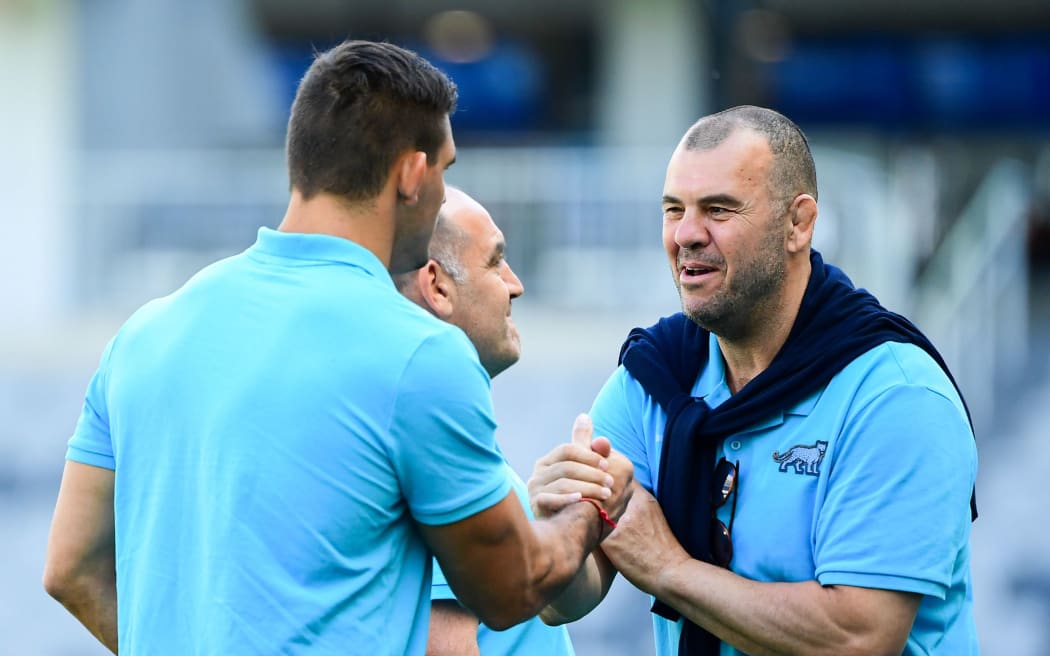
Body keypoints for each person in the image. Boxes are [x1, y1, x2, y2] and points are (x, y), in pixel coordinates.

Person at [42, 39, 632, 656]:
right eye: (446, 171)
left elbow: (70, 569)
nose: (441, 197)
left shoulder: (143, 334)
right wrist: (588, 512)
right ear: (411, 174)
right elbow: (512, 591)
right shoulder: (418, 352)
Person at [531, 105, 979, 655]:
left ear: (799, 223)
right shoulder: (654, 376)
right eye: (674, 210)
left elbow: (858, 639)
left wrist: (670, 569)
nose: (687, 235)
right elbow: (564, 601)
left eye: (719, 209)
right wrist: (557, 533)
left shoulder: (896, 395)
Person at [395, 186, 578, 655]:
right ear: (437, 286)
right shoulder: (432, 442)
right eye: (496, 262)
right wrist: (581, 523)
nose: (515, 284)